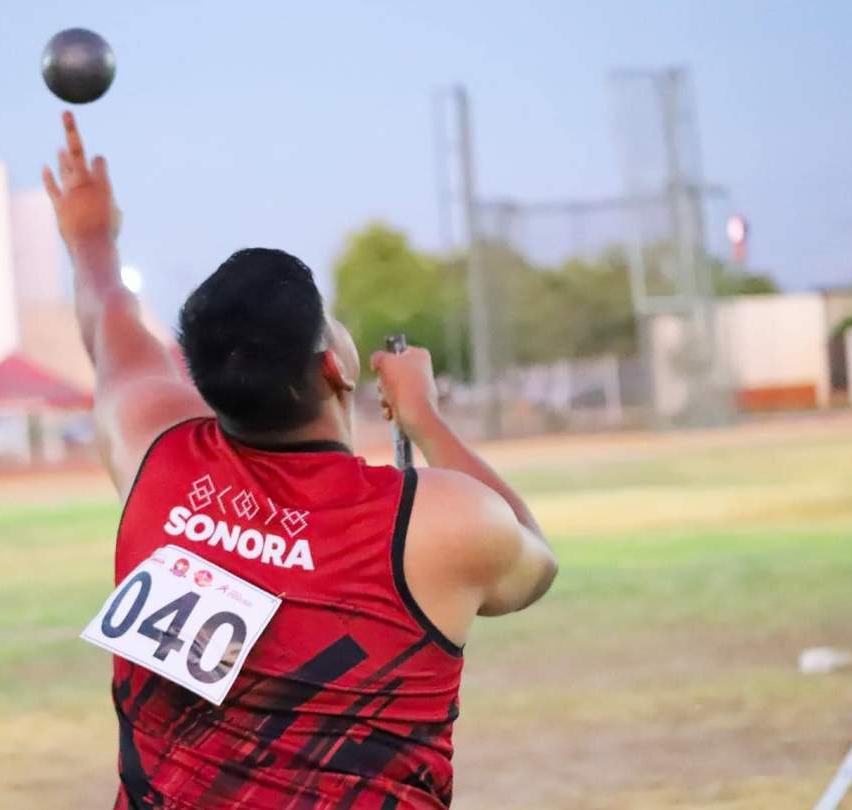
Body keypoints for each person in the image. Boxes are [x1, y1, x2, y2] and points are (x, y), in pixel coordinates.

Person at [42, 111, 557, 808]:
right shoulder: (433, 520)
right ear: (333, 366)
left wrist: (89, 235)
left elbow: (108, 318)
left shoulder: (150, 446)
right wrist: (425, 418)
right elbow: (532, 562)